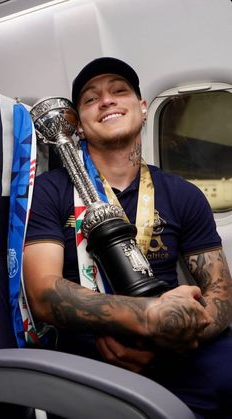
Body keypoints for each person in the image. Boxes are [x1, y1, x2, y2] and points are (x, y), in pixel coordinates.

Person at [23, 57, 232, 418]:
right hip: (93, 347)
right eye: (90, 99)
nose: (106, 101)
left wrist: (179, 333)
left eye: (119, 91)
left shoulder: (183, 194)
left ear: (143, 107)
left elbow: (221, 292)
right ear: (79, 127)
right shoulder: (48, 191)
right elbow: (44, 293)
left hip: (180, 341)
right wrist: (148, 318)